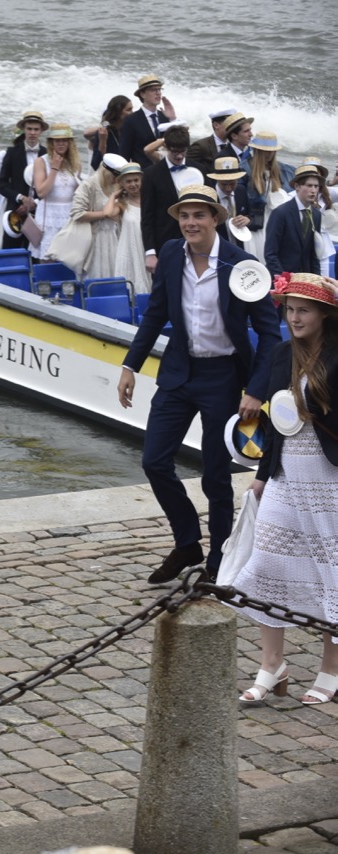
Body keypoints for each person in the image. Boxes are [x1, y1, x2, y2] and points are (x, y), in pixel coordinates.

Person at [117, 185, 281, 584]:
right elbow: (156, 314)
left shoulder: (243, 265)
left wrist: (255, 391)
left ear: (215, 219)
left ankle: (218, 560)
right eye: (185, 216)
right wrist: (130, 365)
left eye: (199, 215)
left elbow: (269, 333)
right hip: (178, 372)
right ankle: (187, 541)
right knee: (154, 461)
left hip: (223, 377)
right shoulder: (172, 253)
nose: (191, 223)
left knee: (215, 475)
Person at [233, 273, 338, 706]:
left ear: (324, 315)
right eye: (290, 309)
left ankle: (331, 669)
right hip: (285, 474)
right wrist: (262, 475)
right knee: (267, 564)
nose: (294, 318)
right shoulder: (280, 354)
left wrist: (316, 408)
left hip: (328, 476)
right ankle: (272, 665)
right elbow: (275, 427)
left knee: (331, 570)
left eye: (304, 310)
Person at [140, 125, 202, 275]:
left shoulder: (199, 170)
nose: (179, 156)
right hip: (165, 244)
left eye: (183, 151)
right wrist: (150, 253)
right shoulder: (151, 174)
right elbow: (147, 216)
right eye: (175, 151)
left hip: (198, 244)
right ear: (166, 147)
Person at [67, 153, 124, 279]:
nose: (117, 180)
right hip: (93, 238)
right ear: (106, 172)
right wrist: (104, 214)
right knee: (95, 275)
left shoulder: (116, 185)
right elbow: (76, 213)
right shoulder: (88, 185)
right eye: (115, 176)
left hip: (113, 237)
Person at [31, 123, 82, 262]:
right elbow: (41, 193)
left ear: (69, 143)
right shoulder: (41, 162)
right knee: (48, 258)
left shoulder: (75, 163)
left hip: (68, 214)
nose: (61, 144)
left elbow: (77, 192)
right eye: (57, 140)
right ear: (51, 143)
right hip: (49, 215)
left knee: (68, 258)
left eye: (64, 140)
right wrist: (54, 168)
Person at [0, 109, 48, 250]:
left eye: (36, 129)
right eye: (29, 129)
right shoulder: (12, 153)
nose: (32, 132)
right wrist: (21, 198)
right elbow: (1, 185)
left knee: (37, 252)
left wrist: (34, 202)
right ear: (24, 130)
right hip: (15, 212)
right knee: (11, 251)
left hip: (40, 212)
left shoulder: (48, 154)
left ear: (41, 131)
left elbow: (51, 185)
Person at [265, 164, 325, 278]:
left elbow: (314, 253)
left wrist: (317, 279)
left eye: (316, 186)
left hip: (305, 278)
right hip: (283, 277)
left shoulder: (316, 215)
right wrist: (282, 277)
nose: (313, 190)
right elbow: (270, 253)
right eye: (309, 185)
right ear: (297, 186)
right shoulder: (281, 213)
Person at [244, 131, 295, 263]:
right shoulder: (245, 169)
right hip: (258, 220)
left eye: (271, 151)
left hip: (277, 218)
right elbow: (241, 199)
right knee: (261, 256)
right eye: (265, 151)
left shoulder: (284, 170)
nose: (269, 154)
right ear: (257, 151)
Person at [118, 74, 174, 167]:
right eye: (153, 90)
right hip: (142, 171)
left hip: (164, 170)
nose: (158, 93)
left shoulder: (165, 117)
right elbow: (124, 152)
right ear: (142, 94)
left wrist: (173, 119)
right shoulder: (131, 120)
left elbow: (177, 144)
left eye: (159, 89)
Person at [113, 162, 150, 293]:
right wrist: (114, 196)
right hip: (129, 249)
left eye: (136, 180)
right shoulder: (122, 204)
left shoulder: (150, 200)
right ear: (122, 184)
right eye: (128, 181)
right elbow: (108, 213)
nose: (133, 184)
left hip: (146, 247)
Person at [208, 156, 250, 249]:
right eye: (224, 184)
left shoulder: (241, 190)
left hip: (239, 246)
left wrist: (247, 220)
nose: (228, 188)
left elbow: (249, 214)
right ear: (217, 180)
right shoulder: (209, 197)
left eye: (232, 183)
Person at [83, 95, 132, 172]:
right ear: (118, 112)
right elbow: (96, 165)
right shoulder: (104, 133)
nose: (132, 113)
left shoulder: (129, 131)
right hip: (107, 176)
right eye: (129, 110)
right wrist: (103, 141)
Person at [189, 107, 236, 176]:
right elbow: (188, 167)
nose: (232, 127)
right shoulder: (201, 146)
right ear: (216, 125)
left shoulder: (232, 146)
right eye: (228, 123)